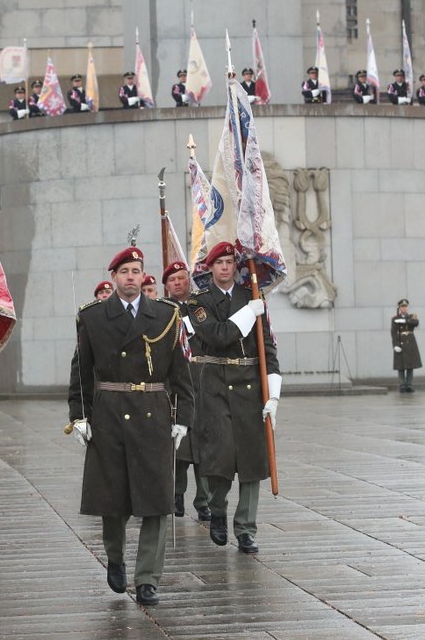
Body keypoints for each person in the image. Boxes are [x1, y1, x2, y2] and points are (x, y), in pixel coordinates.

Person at [68, 246, 193, 605]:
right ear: (114, 277)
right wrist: (79, 416)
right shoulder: (92, 317)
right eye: (124, 271)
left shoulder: (166, 315)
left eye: (136, 271)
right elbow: (81, 371)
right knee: (113, 498)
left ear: (143, 275)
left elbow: (180, 373)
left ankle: (148, 579)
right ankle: (115, 555)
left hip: (153, 412)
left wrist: (183, 417)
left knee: (155, 501)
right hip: (109, 414)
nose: (131, 277)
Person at [184, 242, 278, 556]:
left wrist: (274, 395)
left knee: (252, 461)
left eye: (229, 262)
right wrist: (250, 312)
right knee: (219, 455)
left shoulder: (253, 295)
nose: (225, 267)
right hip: (214, 386)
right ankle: (218, 510)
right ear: (210, 268)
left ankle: (247, 529)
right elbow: (219, 335)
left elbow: (267, 348)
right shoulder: (198, 301)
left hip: (249, 387)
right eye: (219, 263)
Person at [163, 261, 211, 522]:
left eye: (182, 278)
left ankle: (203, 500)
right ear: (167, 285)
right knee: (178, 446)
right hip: (176, 382)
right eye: (173, 280)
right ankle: (177, 495)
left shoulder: (200, 308)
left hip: (201, 379)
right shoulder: (162, 310)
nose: (178, 283)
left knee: (201, 445)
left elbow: (210, 334)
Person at [391, 299, 421, 392]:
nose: (404, 308)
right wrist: (395, 345)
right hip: (400, 342)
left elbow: (416, 323)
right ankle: (402, 384)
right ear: (399, 308)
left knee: (410, 366)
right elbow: (393, 332)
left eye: (405, 306)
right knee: (401, 366)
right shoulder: (395, 318)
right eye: (402, 307)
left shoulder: (412, 316)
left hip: (410, 342)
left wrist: (405, 320)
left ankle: (409, 384)